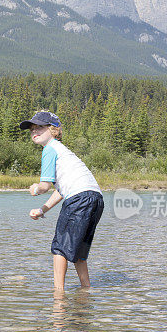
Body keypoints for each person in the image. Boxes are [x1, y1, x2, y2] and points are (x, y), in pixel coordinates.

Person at [20, 110, 104, 291]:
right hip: (95, 199)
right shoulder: (64, 152)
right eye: (32, 129)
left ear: (53, 130)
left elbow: (46, 185)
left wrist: (36, 189)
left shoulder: (49, 149)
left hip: (79, 198)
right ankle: (86, 290)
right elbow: (61, 190)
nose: (34, 132)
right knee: (79, 252)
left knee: (60, 249)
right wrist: (43, 210)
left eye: (40, 128)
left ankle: (58, 295)